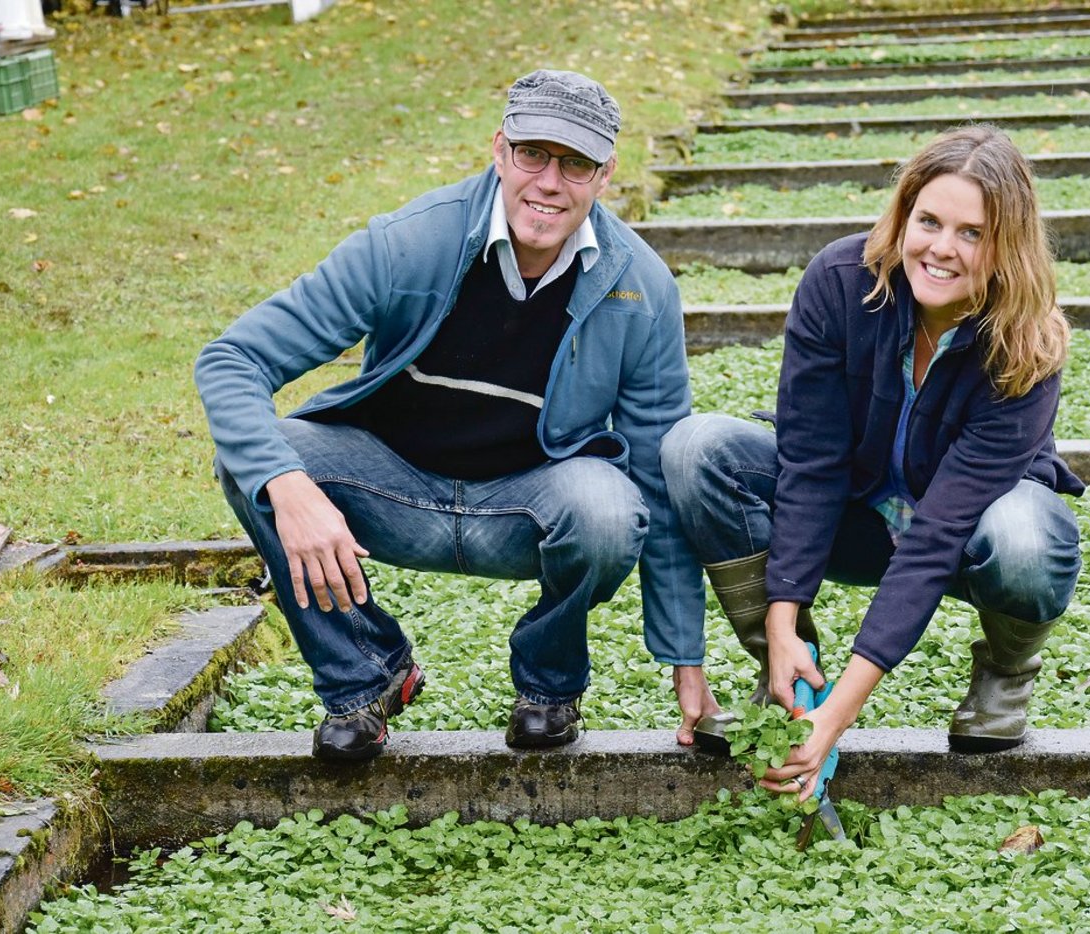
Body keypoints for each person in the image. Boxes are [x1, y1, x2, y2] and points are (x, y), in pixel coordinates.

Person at [196, 69, 720, 761]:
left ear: (605, 174)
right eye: (533, 154)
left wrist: (689, 667)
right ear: (499, 150)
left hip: (529, 506)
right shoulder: (407, 244)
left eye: (576, 163)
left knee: (610, 510)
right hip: (392, 488)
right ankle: (365, 678)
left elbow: (657, 473)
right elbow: (232, 360)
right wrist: (289, 489)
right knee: (260, 463)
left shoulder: (641, 287)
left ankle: (549, 688)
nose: (549, 182)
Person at [660, 124, 1084, 794]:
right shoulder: (839, 283)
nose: (942, 249)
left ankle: (1006, 672)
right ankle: (790, 668)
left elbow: (940, 534)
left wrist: (839, 716)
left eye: (972, 233)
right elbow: (811, 461)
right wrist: (782, 619)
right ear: (903, 215)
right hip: (854, 515)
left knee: (1026, 538)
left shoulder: (1027, 345)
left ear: (1008, 245)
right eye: (929, 221)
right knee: (698, 448)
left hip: (967, 538)